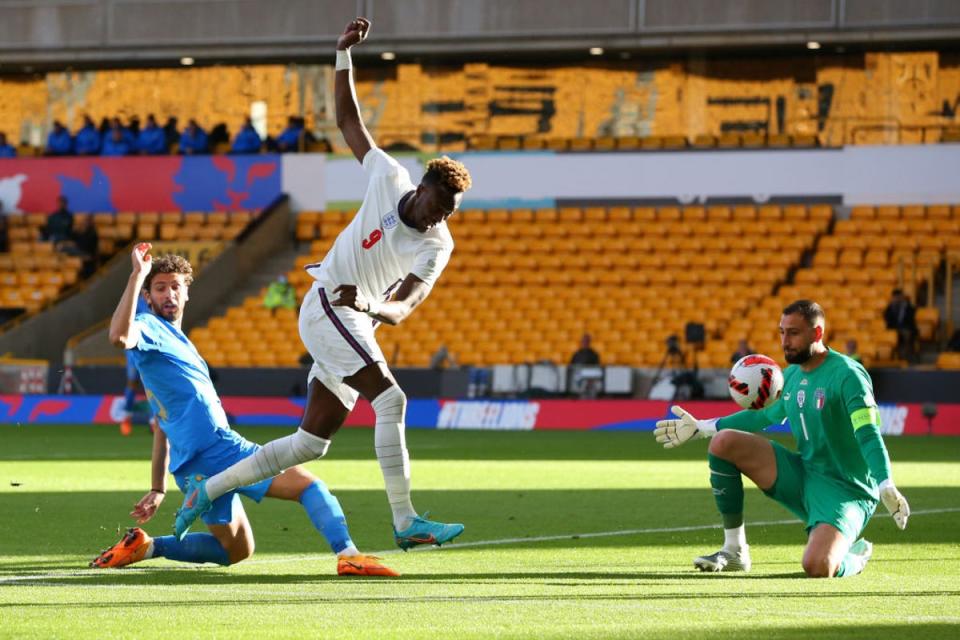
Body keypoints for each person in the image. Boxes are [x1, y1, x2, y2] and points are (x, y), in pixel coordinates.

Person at [172, 17, 472, 553]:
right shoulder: (388, 177)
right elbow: (349, 122)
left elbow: (405, 305)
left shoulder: (437, 244)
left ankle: (205, 489)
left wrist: (374, 306)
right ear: (422, 186)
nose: (438, 218)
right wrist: (342, 56)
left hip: (355, 317)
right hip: (327, 304)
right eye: (437, 205)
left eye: (448, 212)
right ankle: (406, 523)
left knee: (311, 444)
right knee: (393, 400)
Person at [91, 244, 397, 576]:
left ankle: (147, 547)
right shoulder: (149, 328)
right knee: (309, 487)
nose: (169, 294)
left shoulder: (176, 342)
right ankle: (349, 554)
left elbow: (163, 422)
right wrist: (137, 275)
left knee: (236, 550)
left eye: (176, 286)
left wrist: (158, 487)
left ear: (187, 293)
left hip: (190, 467)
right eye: (160, 287)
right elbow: (119, 336)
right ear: (148, 297)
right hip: (220, 450)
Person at [654, 300, 910, 578]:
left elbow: (868, 433)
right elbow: (759, 418)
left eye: (794, 333)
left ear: (818, 334)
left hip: (847, 491)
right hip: (804, 474)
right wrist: (701, 427)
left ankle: (855, 558)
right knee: (723, 442)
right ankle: (734, 551)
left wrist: (886, 482)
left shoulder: (848, 376)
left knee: (818, 566)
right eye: (782, 332)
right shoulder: (789, 377)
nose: (785, 341)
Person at [884, 288, 917, 361]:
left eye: (899, 297)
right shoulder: (890, 308)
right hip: (893, 329)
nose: (897, 299)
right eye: (895, 297)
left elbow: (910, 320)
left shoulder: (908, 307)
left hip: (906, 328)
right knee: (891, 335)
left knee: (906, 334)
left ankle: (906, 356)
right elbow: (887, 319)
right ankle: (892, 357)